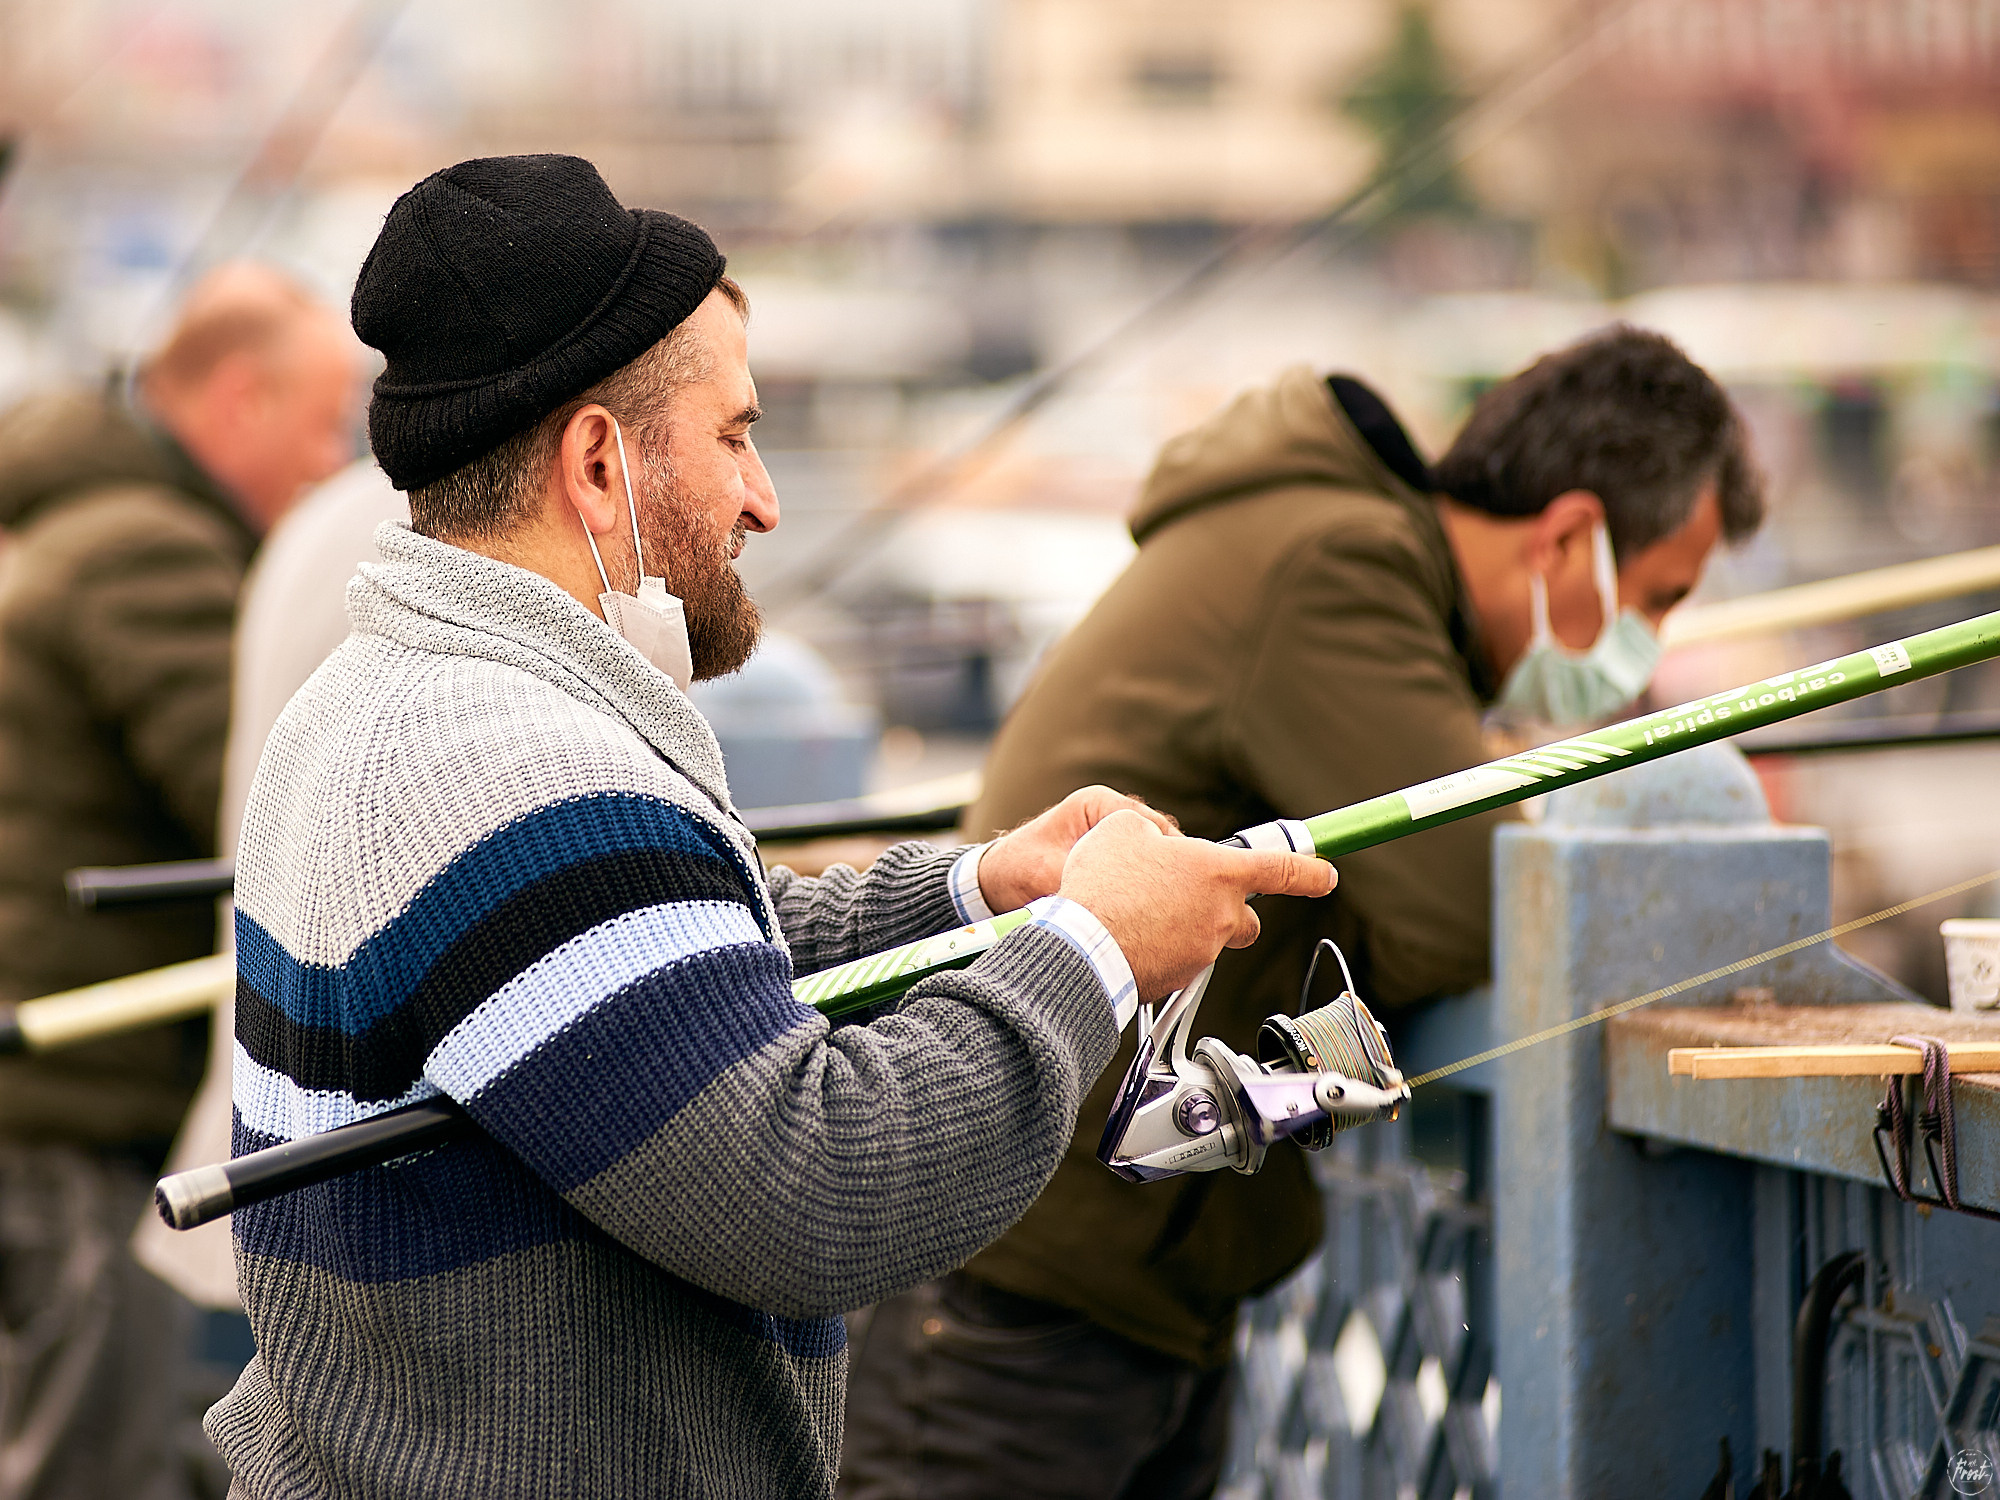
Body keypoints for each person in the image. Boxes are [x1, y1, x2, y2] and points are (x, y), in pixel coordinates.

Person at [205, 153, 1333, 1500]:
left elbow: (659, 973)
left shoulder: (389, 693)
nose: (765, 498)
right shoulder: (511, 764)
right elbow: (815, 1189)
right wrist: (1096, 951)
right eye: (734, 435)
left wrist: (983, 895)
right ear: (597, 460)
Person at [839, 329, 1766, 1499]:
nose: (1645, 648)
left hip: (1118, 1261)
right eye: (1654, 599)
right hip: (1037, 1283)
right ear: (1570, 534)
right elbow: (1480, 906)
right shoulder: (1338, 568)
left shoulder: (1327, 546)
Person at [0, 264, 358, 1499]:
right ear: (239, 400)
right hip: (79, 1116)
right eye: (322, 425)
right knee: (84, 1456)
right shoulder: (147, 550)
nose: (329, 467)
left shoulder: (69, 521)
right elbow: (264, 787)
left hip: (42, 1097)